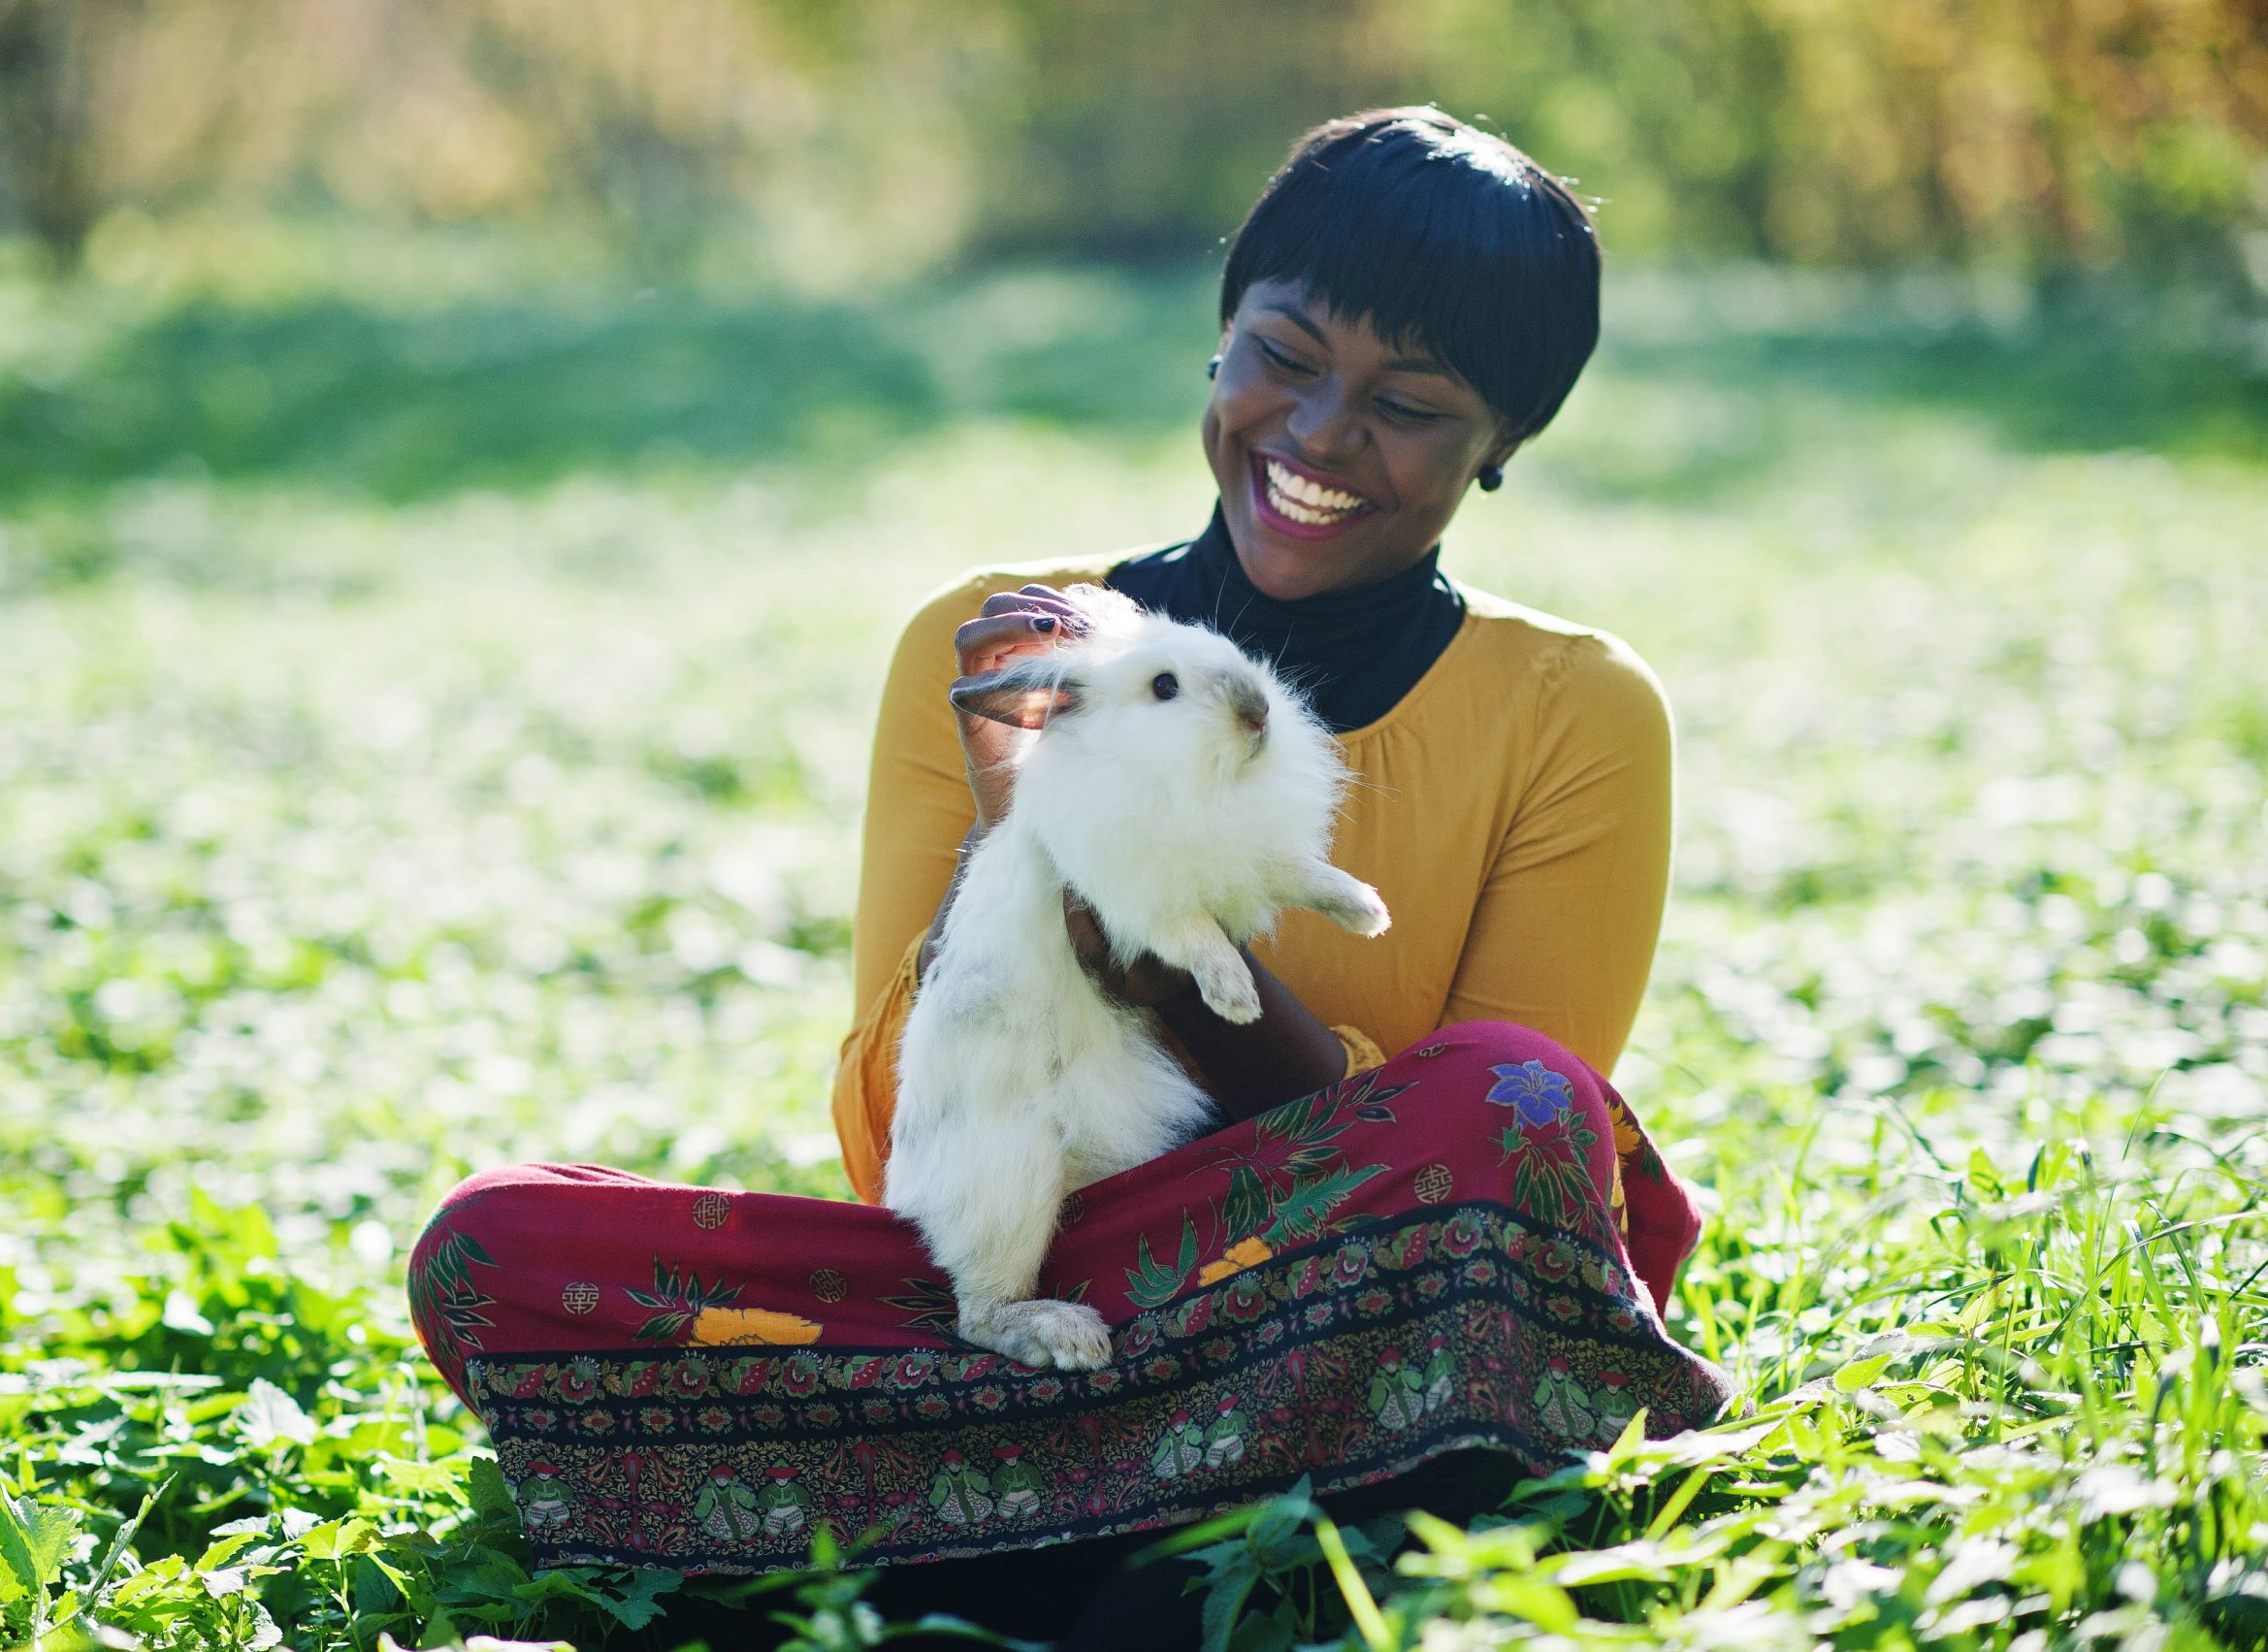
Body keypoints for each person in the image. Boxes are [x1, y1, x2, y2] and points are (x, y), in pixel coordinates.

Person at [408, 107, 1730, 1647]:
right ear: (1218, 343)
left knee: (1517, 1100)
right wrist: (1019, 844)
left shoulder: (1575, 709)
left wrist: (1134, 924)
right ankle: (1212, 1532)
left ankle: (964, 1542)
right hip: (1032, 1295)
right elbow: (911, 1125)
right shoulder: (995, 651)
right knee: (494, 1245)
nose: (1316, 433)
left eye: (1411, 404)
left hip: (1341, 1280)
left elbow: (1498, 1185)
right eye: (1283, 356)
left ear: (1504, 441)